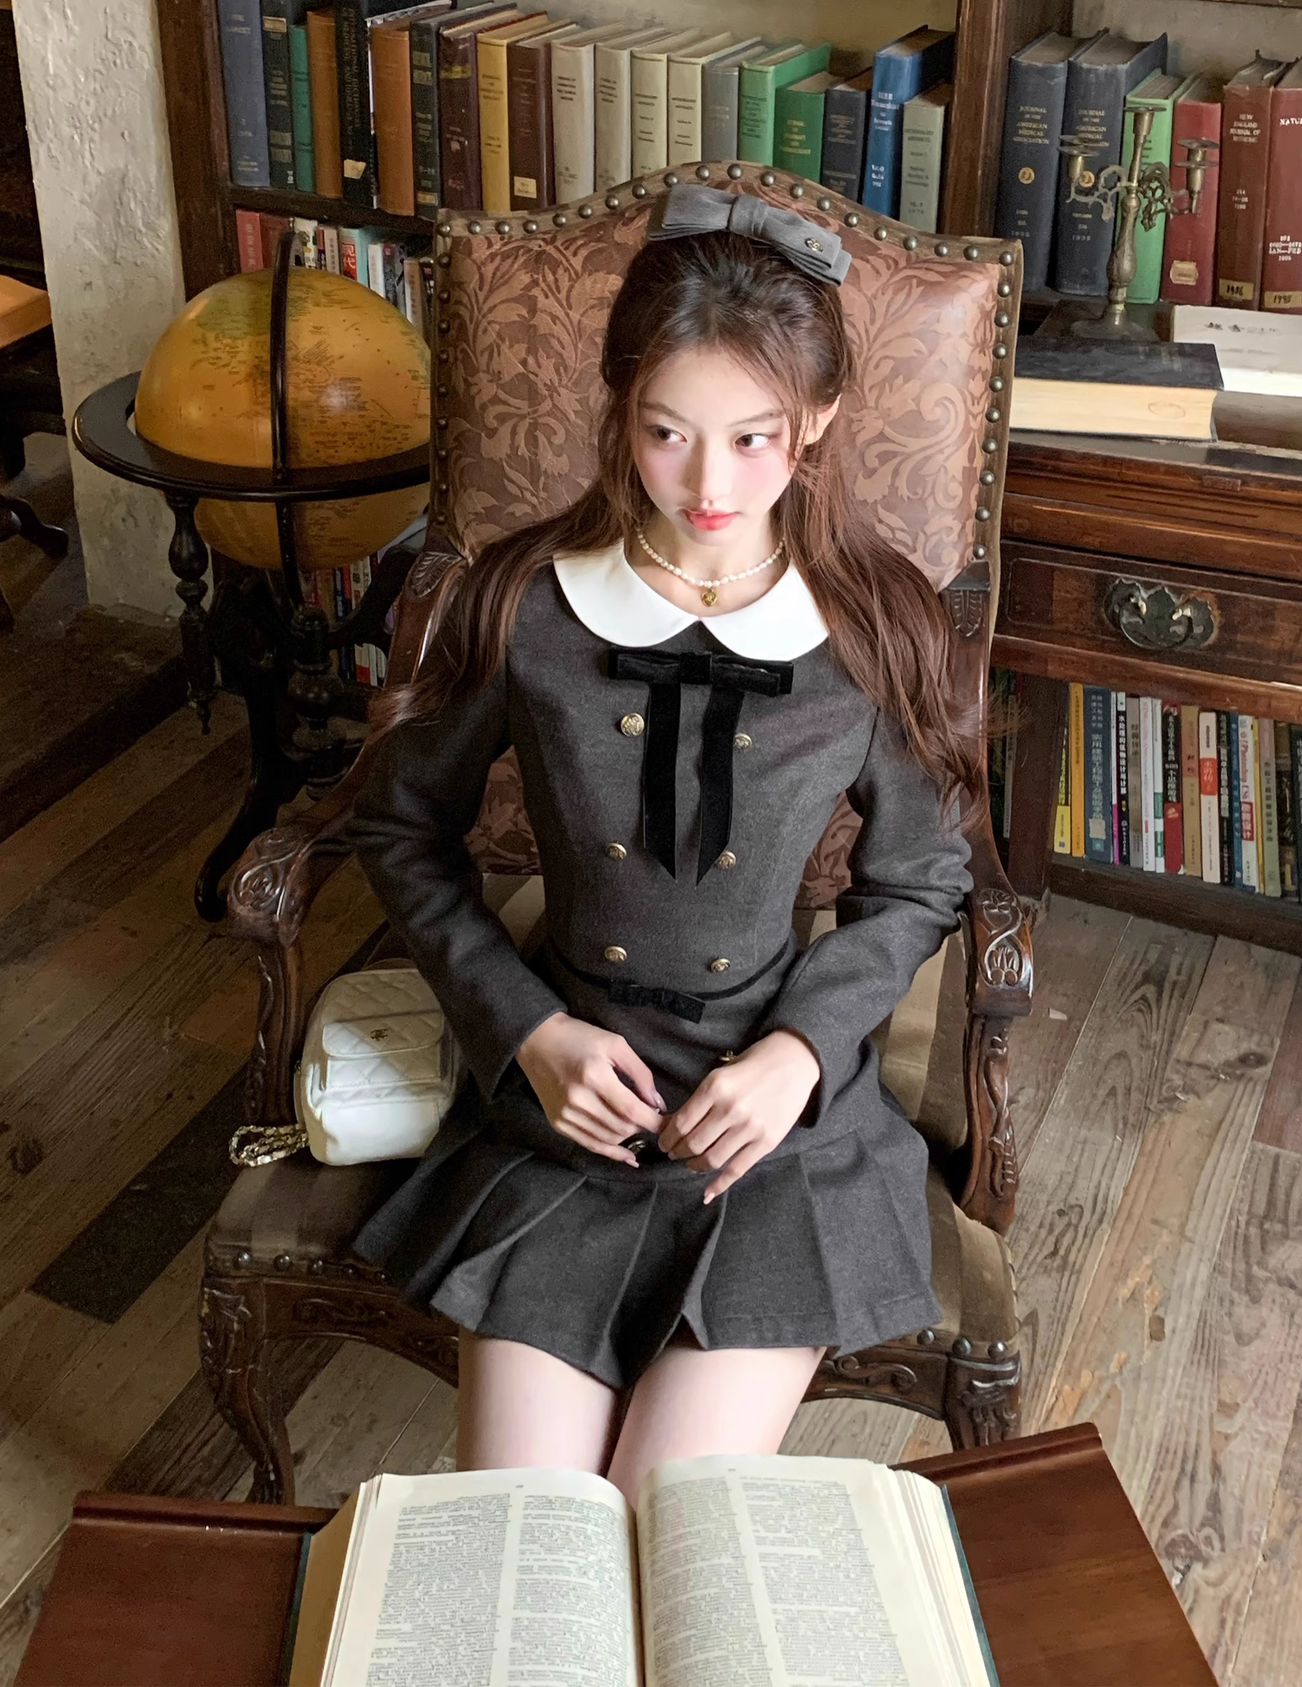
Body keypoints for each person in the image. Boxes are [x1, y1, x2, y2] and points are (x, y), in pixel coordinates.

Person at [346, 187, 977, 1504]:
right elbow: (402, 825)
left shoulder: (874, 623)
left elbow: (919, 879)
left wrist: (800, 1055)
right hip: (568, 1106)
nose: (708, 485)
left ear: (818, 418)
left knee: (668, 1518)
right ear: (618, 407)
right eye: (666, 432)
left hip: (777, 1130)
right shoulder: (522, 599)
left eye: (754, 438)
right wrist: (528, 1029)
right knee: (525, 1526)